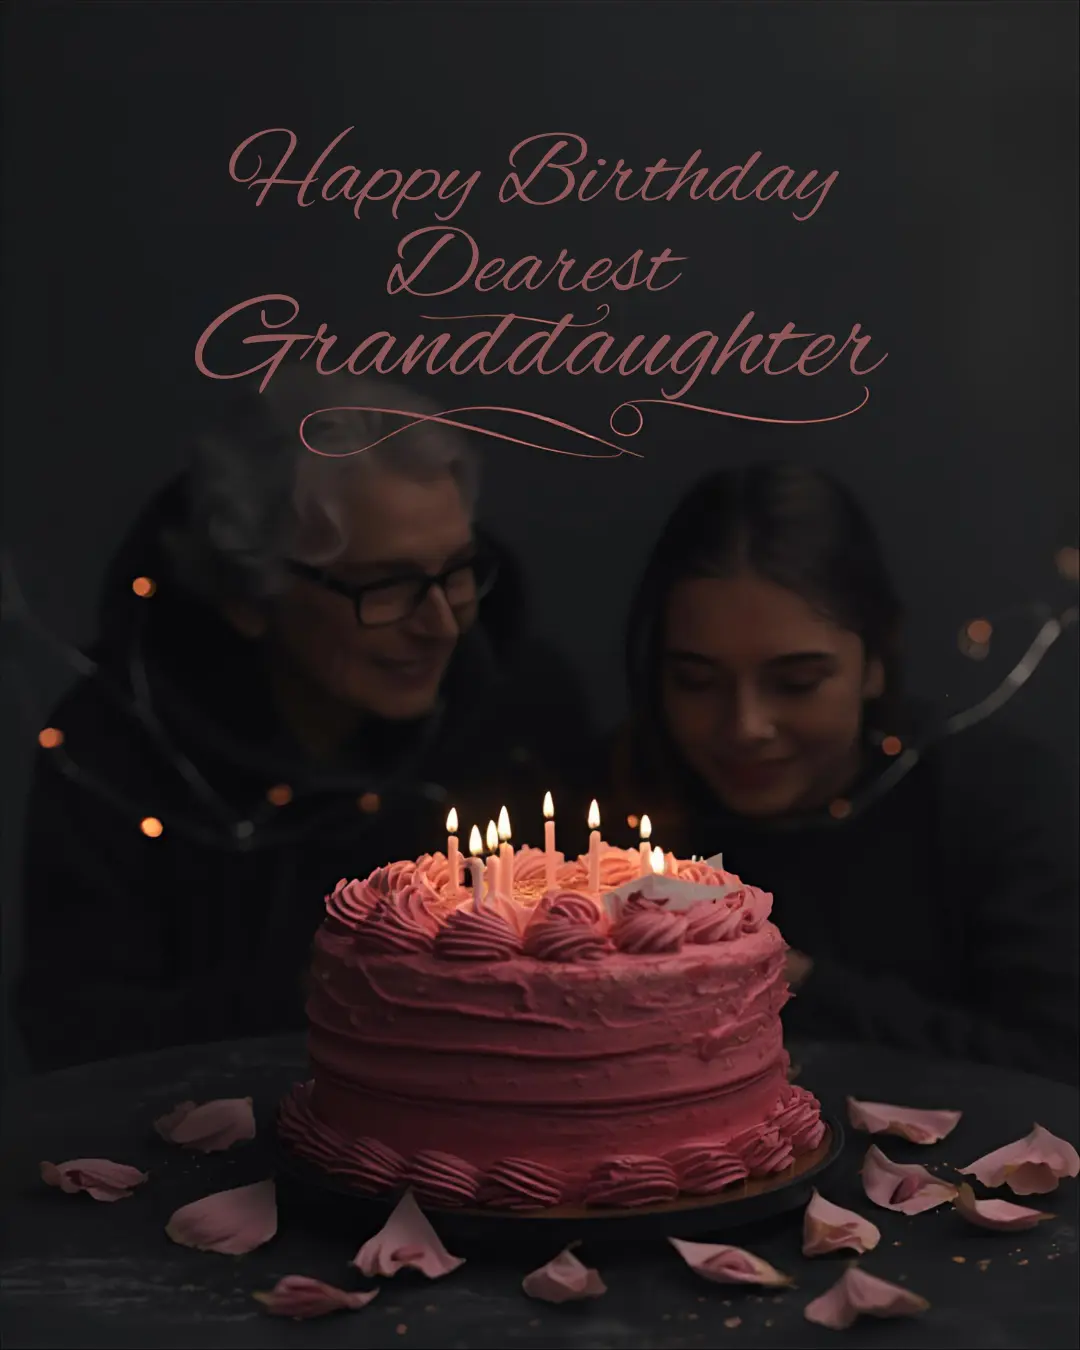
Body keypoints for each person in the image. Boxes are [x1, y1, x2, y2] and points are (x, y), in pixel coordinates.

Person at [14, 372, 591, 1070]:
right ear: (252, 593)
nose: (442, 624)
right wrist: (334, 990)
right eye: (386, 584)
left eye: (458, 570)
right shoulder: (115, 750)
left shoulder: (522, 707)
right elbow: (74, 1032)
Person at [603, 462, 1078, 1084]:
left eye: (796, 682)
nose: (746, 725)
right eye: (696, 681)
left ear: (876, 659)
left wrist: (796, 980)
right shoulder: (618, 794)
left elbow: (1056, 1063)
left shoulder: (996, 797)